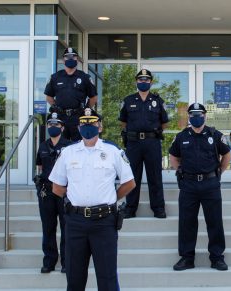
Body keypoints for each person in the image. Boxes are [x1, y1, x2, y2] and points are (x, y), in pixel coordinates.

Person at [49, 108, 136, 291]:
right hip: (75, 222)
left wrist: (112, 198)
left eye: (92, 123)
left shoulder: (113, 151)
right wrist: (74, 200)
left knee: (108, 279)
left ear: (100, 126)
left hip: (104, 222)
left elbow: (129, 183)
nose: (88, 127)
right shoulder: (68, 152)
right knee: (74, 279)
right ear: (79, 127)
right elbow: (56, 187)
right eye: (84, 124)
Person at [169, 103, 231, 271]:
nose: (197, 116)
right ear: (189, 116)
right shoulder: (182, 136)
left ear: (205, 116)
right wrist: (179, 171)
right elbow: (173, 156)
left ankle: (217, 257)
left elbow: (226, 154)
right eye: (193, 114)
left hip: (210, 184)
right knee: (187, 222)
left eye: (200, 114)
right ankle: (187, 257)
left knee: (215, 221)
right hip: (188, 185)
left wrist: (219, 173)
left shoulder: (215, 135)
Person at [118, 69, 170, 219]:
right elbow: (123, 122)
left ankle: (158, 208)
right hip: (133, 143)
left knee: (155, 176)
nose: (143, 82)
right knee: (133, 176)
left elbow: (164, 122)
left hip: (152, 142)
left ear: (151, 82)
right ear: (136, 82)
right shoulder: (128, 100)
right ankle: (130, 208)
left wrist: (153, 132)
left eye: (146, 80)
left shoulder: (158, 101)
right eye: (140, 79)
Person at [34, 113, 74, 273]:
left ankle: (66, 262)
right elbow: (40, 166)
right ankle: (49, 261)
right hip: (46, 191)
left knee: (66, 227)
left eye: (56, 125)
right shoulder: (43, 146)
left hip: (64, 191)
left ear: (62, 128)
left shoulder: (70, 147)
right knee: (48, 227)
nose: (53, 127)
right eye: (50, 124)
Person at [44, 48, 98, 141]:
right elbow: (49, 96)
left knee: (79, 146)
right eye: (67, 57)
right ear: (63, 60)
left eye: (73, 56)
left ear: (77, 59)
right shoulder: (55, 77)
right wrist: (55, 107)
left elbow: (93, 97)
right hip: (61, 117)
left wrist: (86, 109)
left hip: (78, 117)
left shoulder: (84, 77)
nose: (70, 59)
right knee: (61, 147)